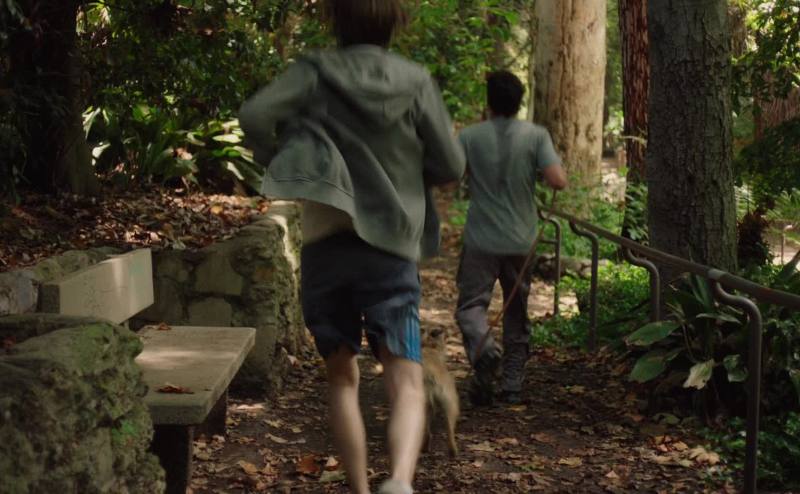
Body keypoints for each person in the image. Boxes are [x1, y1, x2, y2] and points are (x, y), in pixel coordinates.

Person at [238, 1, 465, 493]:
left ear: (335, 21)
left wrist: (283, 157)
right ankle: (399, 481)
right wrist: (410, 170)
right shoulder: (415, 80)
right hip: (391, 253)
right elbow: (451, 163)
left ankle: (360, 488)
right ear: (393, 24)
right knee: (406, 378)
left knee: (341, 378)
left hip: (327, 245)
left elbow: (254, 114)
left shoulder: (315, 72)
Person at [455, 70, 567, 407]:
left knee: (471, 307)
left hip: (481, 238)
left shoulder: (469, 136)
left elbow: (449, 177)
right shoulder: (536, 136)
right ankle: (512, 383)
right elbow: (558, 181)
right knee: (516, 309)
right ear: (519, 102)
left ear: (489, 102)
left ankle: (484, 351)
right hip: (522, 239)